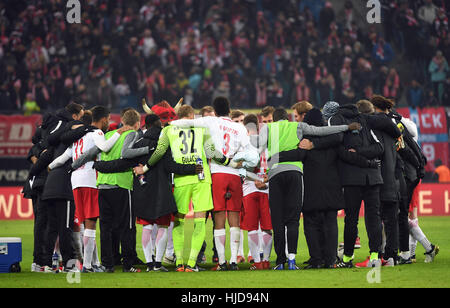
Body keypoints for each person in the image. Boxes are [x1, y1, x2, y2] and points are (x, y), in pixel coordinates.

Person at [259, 107, 360, 270]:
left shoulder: (304, 141)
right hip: (330, 188)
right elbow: (345, 152)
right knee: (329, 223)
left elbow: (298, 155)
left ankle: (313, 259)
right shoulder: (332, 139)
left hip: (307, 188)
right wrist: (366, 161)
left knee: (308, 223)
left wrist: (274, 159)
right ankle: (330, 259)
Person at [168, 97, 259, 271]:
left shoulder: (209, 121)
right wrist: (241, 163)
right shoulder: (239, 127)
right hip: (234, 174)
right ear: (230, 110)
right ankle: (234, 261)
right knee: (234, 218)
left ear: (215, 111)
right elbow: (250, 153)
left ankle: (222, 262)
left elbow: (185, 124)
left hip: (217, 173)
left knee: (218, 218)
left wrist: (170, 121)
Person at [48, 106, 129, 272]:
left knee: (82, 224)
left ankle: (88, 262)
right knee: (91, 223)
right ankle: (87, 265)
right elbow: (105, 147)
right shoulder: (96, 133)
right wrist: (119, 132)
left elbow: (64, 157)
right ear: (104, 119)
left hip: (75, 182)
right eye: (108, 119)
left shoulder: (78, 137)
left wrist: (50, 166)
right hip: (90, 179)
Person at [330, 101, 400, 268]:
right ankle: (375, 256)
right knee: (374, 218)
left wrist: (358, 154)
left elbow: (344, 154)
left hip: (352, 179)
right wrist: (368, 162)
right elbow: (378, 148)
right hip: (373, 178)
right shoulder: (366, 122)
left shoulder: (337, 122)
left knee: (351, 220)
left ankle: (347, 258)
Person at [94, 109, 142, 273]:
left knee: (106, 228)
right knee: (126, 226)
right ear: (137, 124)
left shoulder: (107, 136)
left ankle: (108, 264)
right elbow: (129, 157)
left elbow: (99, 159)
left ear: (122, 121)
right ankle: (128, 265)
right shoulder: (133, 135)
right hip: (122, 185)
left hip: (102, 185)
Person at [239, 114, 273, 270]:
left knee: (252, 227)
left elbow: (242, 169)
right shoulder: (269, 142)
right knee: (267, 226)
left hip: (249, 189)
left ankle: (257, 263)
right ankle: (266, 260)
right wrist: (264, 180)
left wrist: (255, 180)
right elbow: (275, 164)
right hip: (267, 189)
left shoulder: (243, 142)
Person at [408, 182, 440, 263]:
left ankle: (429, 248)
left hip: (410, 180)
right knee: (411, 217)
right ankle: (411, 254)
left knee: (407, 217)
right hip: (411, 179)